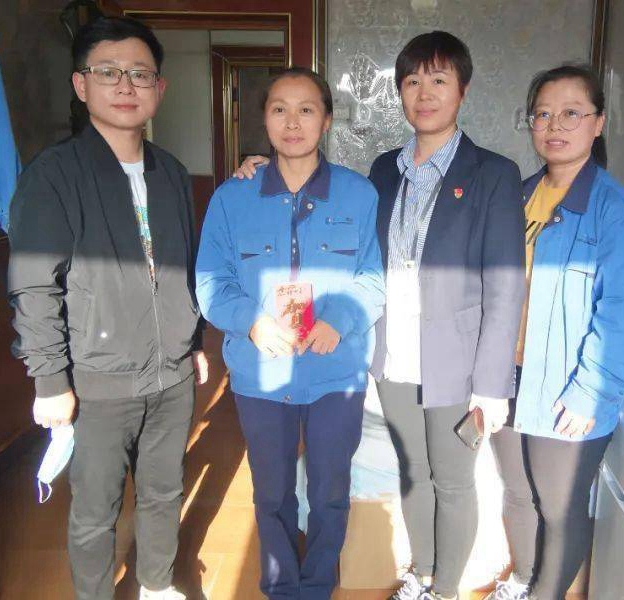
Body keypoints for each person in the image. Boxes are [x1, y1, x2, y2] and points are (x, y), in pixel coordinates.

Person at [234, 32, 525, 600]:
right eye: (412, 81)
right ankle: (423, 574)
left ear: (462, 90)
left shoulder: (493, 173)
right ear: (400, 92)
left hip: (456, 360)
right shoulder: (384, 170)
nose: (424, 93)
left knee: (453, 480)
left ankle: (445, 591)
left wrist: (491, 385)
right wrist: (266, 168)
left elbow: (506, 285)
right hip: (395, 353)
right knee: (413, 471)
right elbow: (336, 210)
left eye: (438, 80)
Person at [7, 17, 207, 600]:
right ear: (80, 84)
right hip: (96, 380)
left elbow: (182, 267)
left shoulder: (171, 172)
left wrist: (192, 341)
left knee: (164, 491)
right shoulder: (53, 176)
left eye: (140, 73)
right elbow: (34, 285)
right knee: (96, 509)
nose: (125, 85)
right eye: (108, 72)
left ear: (159, 88)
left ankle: (156, 585)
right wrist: (50, 382)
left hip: (171, 374)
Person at [195, 67, 385, 600]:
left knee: (329, 491)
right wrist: (251, 322)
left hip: (335, 369)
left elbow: (374, 278)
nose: (293, 122)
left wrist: (339, 320)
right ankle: (281, 588)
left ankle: (318, 585)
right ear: (265, 118)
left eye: (306, 109)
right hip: (262, 371)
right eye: (280, 109)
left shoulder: (358, 194)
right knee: (272, 492)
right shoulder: (232, 198)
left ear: (327, 120)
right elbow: (211, 281)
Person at [486, 65, 624, 600]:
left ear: (598, 123)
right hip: (508, 374)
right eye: (543, 114)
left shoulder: (617, 212)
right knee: (517, 491)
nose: (554, 125)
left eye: (571, 113)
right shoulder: (517, 196)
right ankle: (522, 580)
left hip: (568, 385)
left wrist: (592, 392)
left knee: (559, 506)